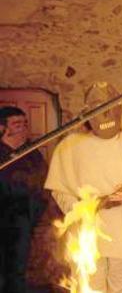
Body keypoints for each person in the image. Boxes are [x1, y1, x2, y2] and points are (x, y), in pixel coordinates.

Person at [45, 82, 122, 293]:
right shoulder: (71, 145)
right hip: (87, 224)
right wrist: (81, 207)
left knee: (121, 287)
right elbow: (60, 188)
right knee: (89, 286)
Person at [0, 106, 48, 292]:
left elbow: (43, 181)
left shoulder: (33, 153)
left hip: (23, 221)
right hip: (2, 217)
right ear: (2, 128)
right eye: (17, 124)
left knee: (18, 270)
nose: (23, 128)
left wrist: (37, 211)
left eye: (25, 123)